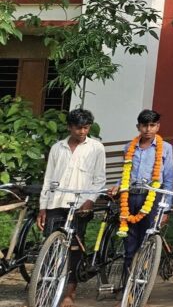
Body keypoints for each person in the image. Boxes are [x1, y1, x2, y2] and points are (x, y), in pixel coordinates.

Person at [37, 108, 106, 307]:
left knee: (74, 248)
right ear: (69, 127)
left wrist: (90, 200)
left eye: (86, 128)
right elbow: (48, 179)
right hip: (56, 202)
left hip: (79, 205)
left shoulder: (96, 148)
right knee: (51, 247)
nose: (82, 132)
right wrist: (43, 207)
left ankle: (70, 291)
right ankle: (46, 288)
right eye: (78, 128)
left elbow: (99, 179)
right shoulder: (57, 148)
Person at [111, 110, 173, 284]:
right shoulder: (129, 147)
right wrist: (117, 185)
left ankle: (141, 288)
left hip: (152, 198)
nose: (148, 129)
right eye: (144, 125)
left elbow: (168, 179)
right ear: (138, 126)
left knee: (147, 242)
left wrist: (166, 208)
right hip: (130, 197)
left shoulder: (166, 148)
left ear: (158, 126)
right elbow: (126, 172)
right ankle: (127, 288)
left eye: (152, 125)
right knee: (129, 244)